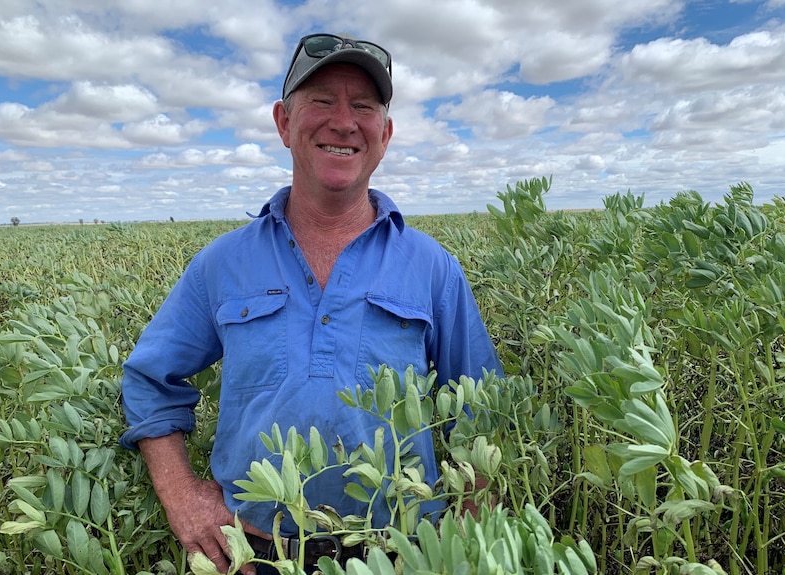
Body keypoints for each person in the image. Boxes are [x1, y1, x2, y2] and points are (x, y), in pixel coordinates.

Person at [119, 32, 503, 575]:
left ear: (385, 134)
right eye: (321, 101)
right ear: (283, 123)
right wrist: (182, 496)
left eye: (363, 107)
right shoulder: (221, 264)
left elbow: (482, 410)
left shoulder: (433, 266)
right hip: (256, 556)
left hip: (401, 554)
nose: (343, 122)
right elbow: (148, 380)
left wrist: (464, 539)